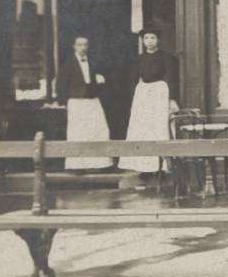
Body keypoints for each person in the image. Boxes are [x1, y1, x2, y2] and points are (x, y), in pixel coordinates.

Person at [119, 28, 179, 175]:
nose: (149, 41)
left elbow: (172, 79)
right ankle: (144, 166)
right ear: (143, 41)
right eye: (146, 38)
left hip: (159, 92)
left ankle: (161, 166)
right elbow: (133, 79)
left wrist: (172, 98)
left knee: (158, 126)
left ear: (158, 39)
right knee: (143, 127)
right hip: (143, 93)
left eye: (153, 38)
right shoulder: (139, 58)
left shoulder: (167, 57)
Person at [59, 34, 112, 171]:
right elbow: (61, 84)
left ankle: (100, 163)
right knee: (77, 132)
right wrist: (63, 102)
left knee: (99, 130)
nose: (82, 48)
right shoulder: (68, 63)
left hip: (92, 100)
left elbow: (98, 79)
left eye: (85, 45)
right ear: (74, 46)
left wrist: (99, 81)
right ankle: (77, 165)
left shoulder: (93, 62)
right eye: (79, 45)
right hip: (76, 101)